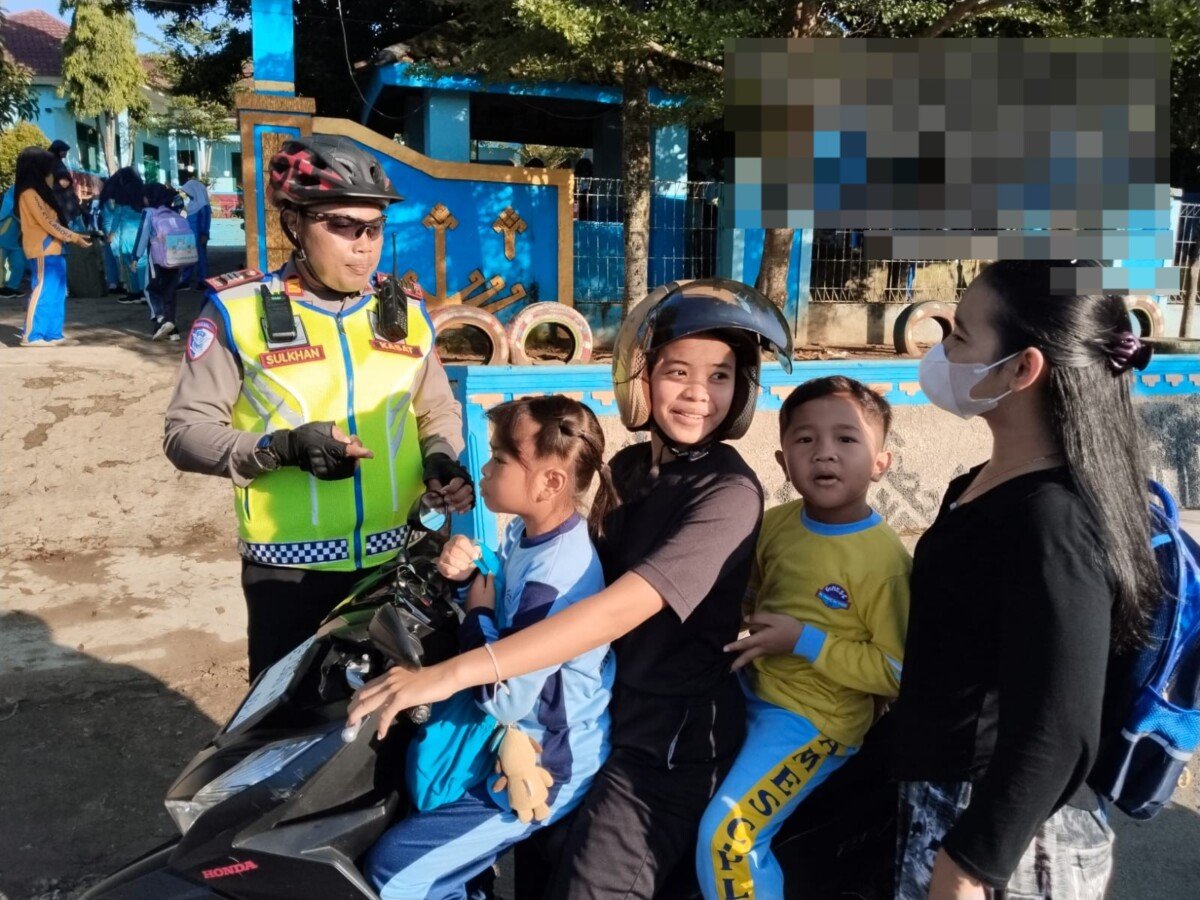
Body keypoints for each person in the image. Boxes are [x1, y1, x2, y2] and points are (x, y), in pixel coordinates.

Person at [350, 278, 795, 898]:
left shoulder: (727, 493)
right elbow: (558, 573)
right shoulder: (629, 471)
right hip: (593, 720)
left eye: (720, 376)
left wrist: (448, 676)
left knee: (588, 888)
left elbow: (613, 612)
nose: (699, 393)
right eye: (677, 372)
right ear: (640, 375)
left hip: (665, 747)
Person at [888, 260, 1159, 900]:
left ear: (1021, 369)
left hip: (1005, 840)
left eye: (960, 335)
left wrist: (971, 864)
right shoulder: (980, 486)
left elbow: (1061, 726)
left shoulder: (1054, 518)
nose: (942, 351)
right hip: (945, 801)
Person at [163, 135, 474, 679]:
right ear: (294, 226)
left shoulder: (404, 312)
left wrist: (441, 456)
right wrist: (279, 449)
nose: (363, 246)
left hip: (401, 561)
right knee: (291, 722)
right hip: (288, 575)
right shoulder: (237, 312)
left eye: (373, 228)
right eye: (342, 226)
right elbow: (184, 433)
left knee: (400, 717)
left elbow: (436, 409)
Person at [365, 395, 618, 899]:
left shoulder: (557, 577)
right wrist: (471, 572)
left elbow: (506, 696)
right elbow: (503, 596)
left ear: (550, 482)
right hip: (508, 740)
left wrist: (478, 612)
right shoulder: (529, 531)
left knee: (396, 871)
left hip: (545, 763)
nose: (482, 468)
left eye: (500, 459)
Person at [696, 375, 911, 900]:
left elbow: (896, 672)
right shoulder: (774, 525)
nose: (824, 453)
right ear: (782, 461)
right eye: (805, 439)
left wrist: (804, 642)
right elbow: (746, 598)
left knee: (729, 838)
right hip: (748, 691)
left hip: (814, 723)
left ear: (881, 463)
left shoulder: (884, 564)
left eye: (846, 438)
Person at [13, 147, 92, 346]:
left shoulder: (41, 192)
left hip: (55, 248)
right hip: (42, 249)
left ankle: (53, 334)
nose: (51, 172)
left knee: (57, 292)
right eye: (47, 167)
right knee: (43, 291)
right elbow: (46, 222)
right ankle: (32, 335)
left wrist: (70, 236)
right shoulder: (29, 193)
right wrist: (73, 236)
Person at [132, 183, 187, 341]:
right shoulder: (173, 211)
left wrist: (135, 256)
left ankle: (161, 318)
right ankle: (173, 329)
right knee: (170, 291)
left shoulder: (149, 212)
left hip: (156, 259)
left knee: (150, 289)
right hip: (175, 258)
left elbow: (143, 235)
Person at [100, 166, 147, 304]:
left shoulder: (122, 197)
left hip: (126, 236)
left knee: (128, 263)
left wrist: (111, 234)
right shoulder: (143, 194)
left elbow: (116, 217)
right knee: (142, 263)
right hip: (142, 235)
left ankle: (134, 293)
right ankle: (145, 293)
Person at [179, 177, 212, 288]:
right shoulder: (192, 204)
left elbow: (206, 221)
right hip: (190, 235)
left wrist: (204, 234)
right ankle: (185, 280)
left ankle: (202, 281)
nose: (187, 194)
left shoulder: (203, 206)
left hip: (199, 235)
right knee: (188, 257)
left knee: (200, 258)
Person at [48, 139, 82, 228]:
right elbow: (63, 183)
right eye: (65, 150)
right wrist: (70, 182)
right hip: (65, 203)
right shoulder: (57, 164)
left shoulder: (50, 162)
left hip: (60, 202)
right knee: (74, 229)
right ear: (59, 151)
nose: (66, 153)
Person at [0, 183, 26, 297]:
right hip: (3, 237)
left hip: (16, 241)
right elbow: (14, 212)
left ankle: (12, 287)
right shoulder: (15, 192)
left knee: (19, 263)